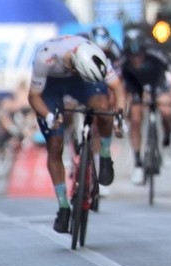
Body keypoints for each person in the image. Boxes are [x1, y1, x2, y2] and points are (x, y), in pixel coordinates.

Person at [27, 35, 125, 233]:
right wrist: (48, 116)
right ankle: (63, 207)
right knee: (55, 144)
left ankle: (104, 154)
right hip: (51, 84)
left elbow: (117, 88)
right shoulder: (45, 58)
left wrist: (119, 116)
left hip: (82, 82)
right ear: (73, 68)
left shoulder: (95, 54)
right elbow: (34, 96)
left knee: (103, 109)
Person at [118, 26, 171, 185]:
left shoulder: (156, 54)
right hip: (136, 86)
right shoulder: (123, 61)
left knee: (166, 111)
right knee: (135, 119)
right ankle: (137, 162)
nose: (136, 59)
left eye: (139, 55)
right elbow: (118, 84)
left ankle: (167, 142)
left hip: (157, 83)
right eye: (132, 56)